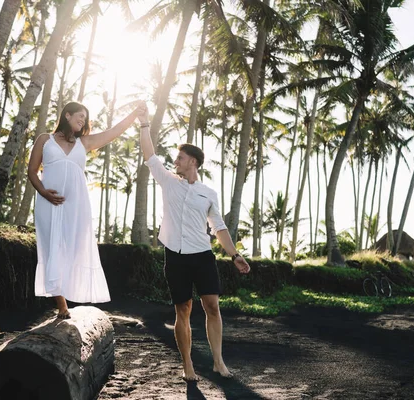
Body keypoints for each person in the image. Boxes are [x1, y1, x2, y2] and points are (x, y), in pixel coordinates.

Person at [137, 109, 250, 381]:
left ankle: (218, 362)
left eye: (180, 158)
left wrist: (235, 255)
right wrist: (143, 124)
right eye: (176, 157)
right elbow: (149, 156)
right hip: (175, 256)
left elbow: (219, 227)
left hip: (202, 255)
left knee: (212, 306)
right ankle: (187, 364)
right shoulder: (168, 182)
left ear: (193, 162)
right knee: (183, 310)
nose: (175, 161)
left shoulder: (208, 193)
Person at [28, 101, 147, 319]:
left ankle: (70, 296)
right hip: (48, 203)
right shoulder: (45, 139)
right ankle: (61, 305)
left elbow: (114, 132)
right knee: (51, 248)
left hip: (76, 206)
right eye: (79, 116)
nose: (83, 121)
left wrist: (134, 114)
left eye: (85, 118)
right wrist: (44, 193)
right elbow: (32, 171)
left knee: (73, 249)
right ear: (67, 115)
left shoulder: (85, 143)